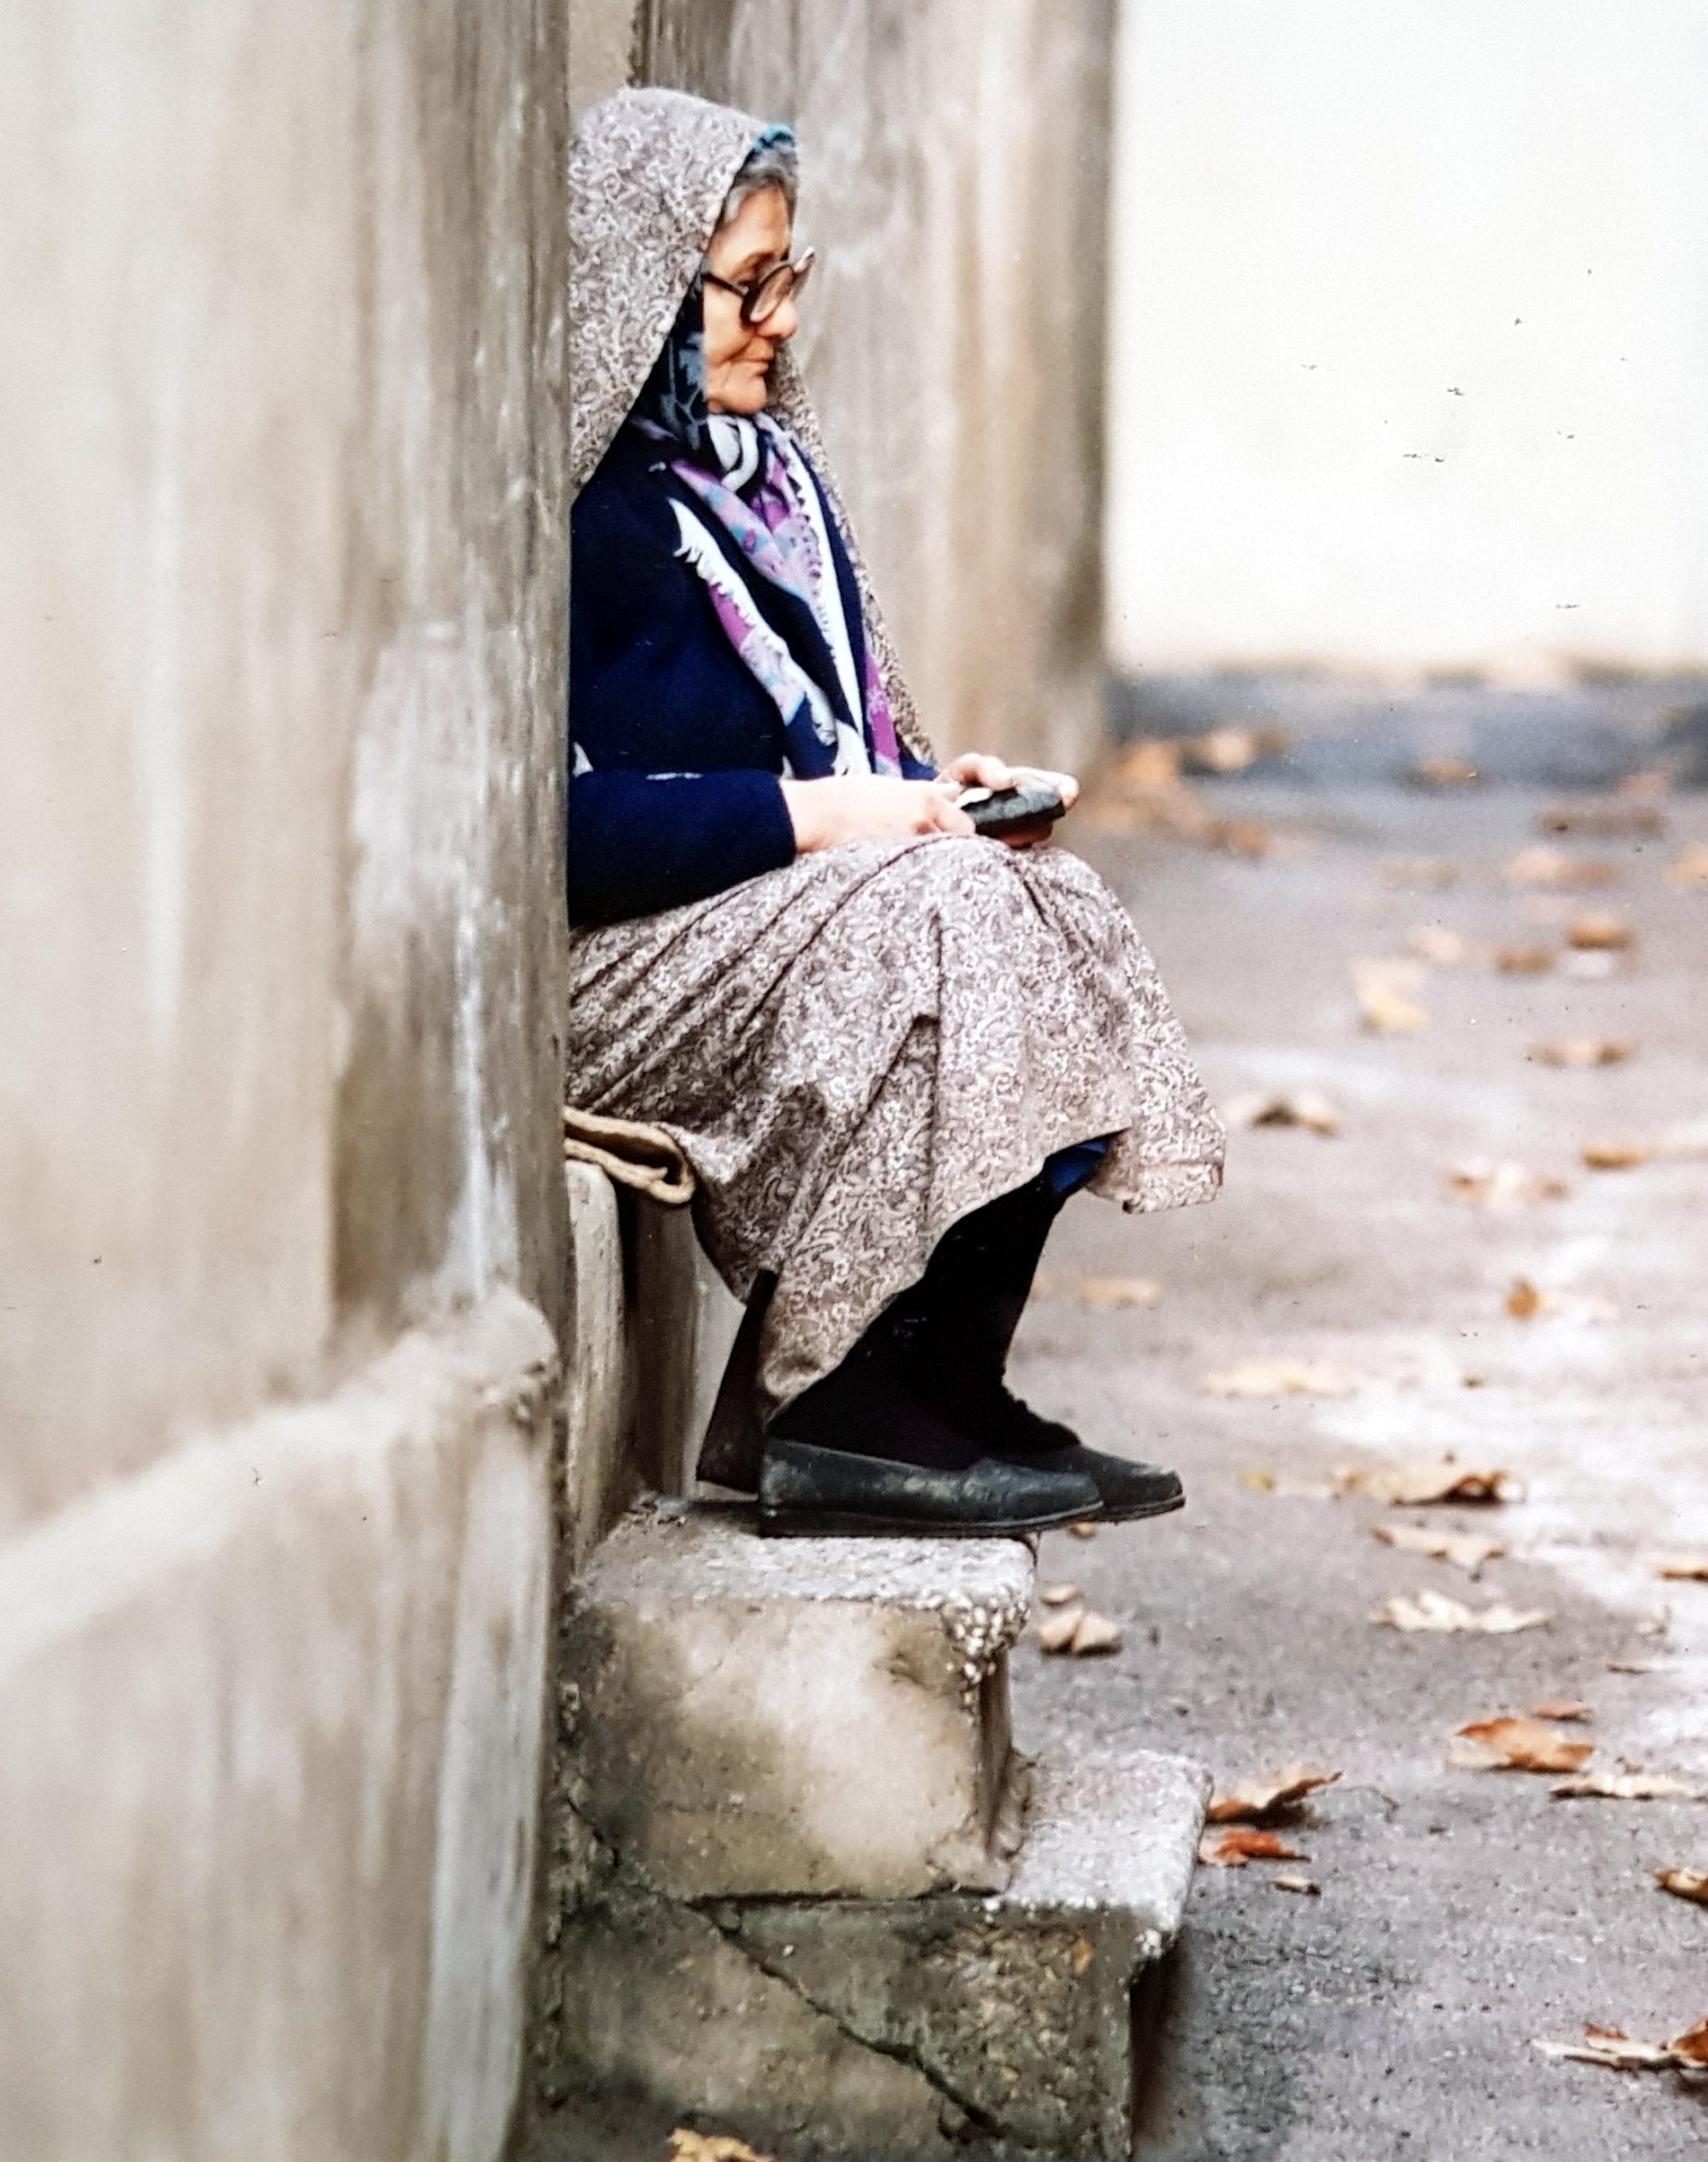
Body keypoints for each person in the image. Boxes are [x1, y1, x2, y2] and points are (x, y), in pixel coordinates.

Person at [562, 89, 1224, 1539]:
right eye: (745, 284)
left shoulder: (768, 486)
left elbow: (849, 745)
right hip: (622, 966)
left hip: (769, 924)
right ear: (640, 287)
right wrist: (834, 820)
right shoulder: (590, 520)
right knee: (955, 910)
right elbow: (564, 836)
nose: (777, 319)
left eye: (787, 278)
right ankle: (839, 1404)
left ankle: (938, 1384)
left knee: (1047, 902)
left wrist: (933, 794)